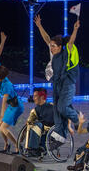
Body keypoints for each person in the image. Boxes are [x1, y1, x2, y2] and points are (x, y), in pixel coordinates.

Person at [34, 15, 80, 149]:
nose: (51, 47)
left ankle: (76, 117)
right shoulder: (53, 53)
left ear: (60, 46)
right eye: (51, 46)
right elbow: (47, 39)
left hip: (67, 84)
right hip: (57, 85)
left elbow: (71, 42)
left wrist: (75, 29)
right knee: (57, 113)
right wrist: (39, 26)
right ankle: (59, 139)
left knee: (62, 108)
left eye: (54, 46)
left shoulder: (66, 53)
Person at [0, 64, 24, 154]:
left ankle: (18, 145)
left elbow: (4, 101)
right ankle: (6, 145)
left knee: (3, 127)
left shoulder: (7, 85)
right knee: (1, 127)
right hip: (11, 106)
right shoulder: (1, 82)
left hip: (16, 107)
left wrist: (2, 116)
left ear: (0, 76)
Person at [24, 88, 56, 157]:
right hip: (42, 131)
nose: (33, 98)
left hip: (52, 131)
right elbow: (28, 122)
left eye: (35, 96)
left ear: (42, 97)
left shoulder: (52, 107)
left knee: (37, 125)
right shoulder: (35, 110)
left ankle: (33, 149)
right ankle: (31, 148)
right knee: (31, 125)